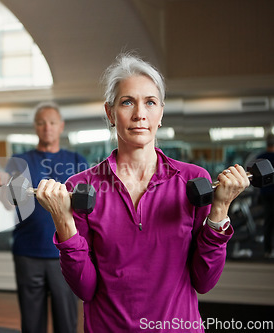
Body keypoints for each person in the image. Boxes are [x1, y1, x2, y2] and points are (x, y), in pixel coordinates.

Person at [34, 53, 250, 333]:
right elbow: (85, 288)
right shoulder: (82, 187)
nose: (139, 114)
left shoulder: (193, 180)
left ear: (161, 113)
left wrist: (220, 212)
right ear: (110, 113)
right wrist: (63, 222)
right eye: (127, 102)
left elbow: (204, 281)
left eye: (150, 102)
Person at [0, 102, 87, 333]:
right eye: (41, 123)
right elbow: (7, 204)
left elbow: (86, 211)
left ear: (61, 126)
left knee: (66, 321)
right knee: (32, 323)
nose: (47, 128)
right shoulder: (18, 161)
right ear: (35, 127)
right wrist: (4, 185)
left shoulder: (76, 160)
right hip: (28, 252)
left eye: (52, 122)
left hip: (65, 254)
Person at [257, 133, 274, 259]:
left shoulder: (261, 158)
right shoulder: (262, 158)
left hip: (265, 195)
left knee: (268, 222)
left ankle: (268, 250)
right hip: (269, 194)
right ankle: (268, 250)